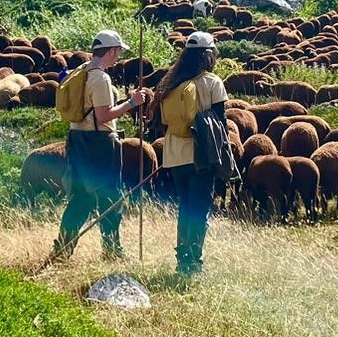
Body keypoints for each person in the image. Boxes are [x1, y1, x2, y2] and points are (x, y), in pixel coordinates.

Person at [52, 30, 149, 260]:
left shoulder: (81, 71)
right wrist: (131, 103)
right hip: (98, 144)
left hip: (77, 139)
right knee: (110, 197)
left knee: (80, 196)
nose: (118, 56)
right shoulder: (101, 78)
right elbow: (104, 115)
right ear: (112, 50)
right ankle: (112, 251)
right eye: (118, 51)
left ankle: (63, 248)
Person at [157, 30, 227, 276]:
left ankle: (182, 259)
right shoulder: (212, 83)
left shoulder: (171, 83)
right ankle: (193, 262)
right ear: (209, 55)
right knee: (199, 208)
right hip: (201, 156)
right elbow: (220, 122)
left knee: (185, 206)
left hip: (175, 154)